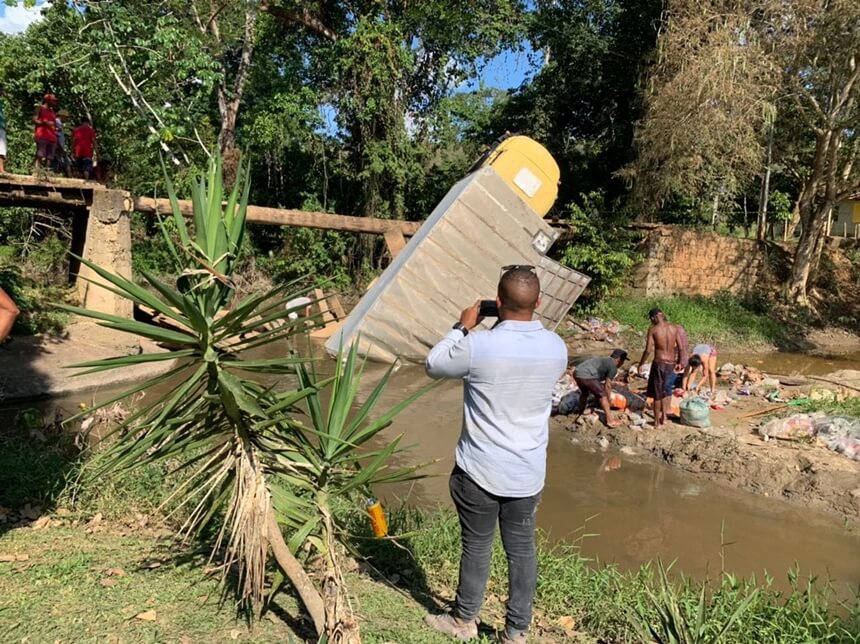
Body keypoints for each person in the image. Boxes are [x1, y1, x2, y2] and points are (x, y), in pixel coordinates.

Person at [423, 266, 567, 643]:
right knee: (521, 551)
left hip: (479, 471)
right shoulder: (556, 347)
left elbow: (434, 364)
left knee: (477, 545)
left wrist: (462, 326)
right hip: (527, 473)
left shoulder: (479, 345)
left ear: (497, 302)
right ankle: (516, 632)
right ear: (539, 303)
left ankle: (463, 620)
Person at [637, 308, 683, 429]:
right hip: (671, 363)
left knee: (657, 393)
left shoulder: (653, 329)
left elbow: (648, 350)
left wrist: (641, 364)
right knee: (666, 390)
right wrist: (679, 362)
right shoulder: (674, 328)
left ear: (653, 318)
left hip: (659, 363)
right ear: (662, 315)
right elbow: (681, 347)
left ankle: (656, 422)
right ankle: (664, 418)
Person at [572, 349, 629, 427]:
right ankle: (610, 421)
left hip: (577, 372)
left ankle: (579, 411)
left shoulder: (605, 360)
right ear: (619, 359)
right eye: (623, 361)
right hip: (586, 374)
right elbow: (608, 385)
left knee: (585, 393)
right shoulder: (613, 367)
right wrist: (608, 399)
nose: (622, 363)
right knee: (602, 396)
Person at [33, 93, 58, 171]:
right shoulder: (39, 108)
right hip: (42, 135)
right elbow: (34, 120)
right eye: (53, 101)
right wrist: (44, 122)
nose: (55, 103)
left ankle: (47, 172)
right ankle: (36, 171)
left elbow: (54, 124)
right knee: (40, 154)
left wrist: (55, 129)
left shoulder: (53, 112)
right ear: (48, 101)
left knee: (50, 157)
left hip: (52, 136)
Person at [0, 85, 7, 174]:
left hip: (1, 127)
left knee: (1, 149)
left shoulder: (1, 102)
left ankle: (1, 169)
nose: (2, 92)